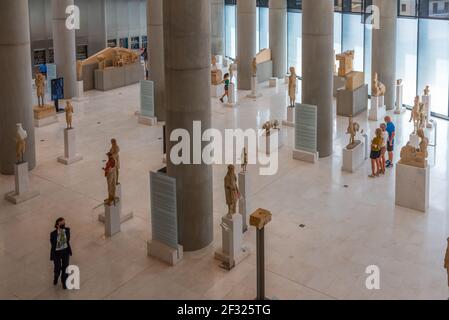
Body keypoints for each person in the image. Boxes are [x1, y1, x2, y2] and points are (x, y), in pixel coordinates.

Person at [50, 218, 72, 289]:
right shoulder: (53, 234)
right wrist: (59, 233)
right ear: (57, 224)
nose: (63, 224)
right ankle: (56, 277)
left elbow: (68, 239)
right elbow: (53, 244)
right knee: (58, 268)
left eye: (64, 223)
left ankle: (64, 282)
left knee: (65, 268)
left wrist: (62, 232)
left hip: (65, 252)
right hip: (57, 253)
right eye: (62, 223)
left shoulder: (67, 230)